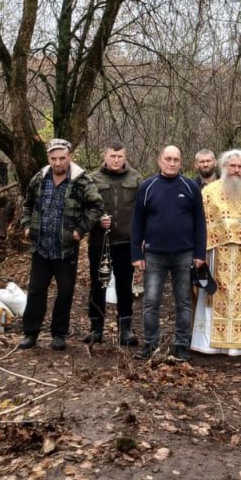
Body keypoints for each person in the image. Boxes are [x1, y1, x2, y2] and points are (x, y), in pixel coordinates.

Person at [19, 138, 104, 351]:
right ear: (49, 158)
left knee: (65, 292)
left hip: (66, 249)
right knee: (36, 290)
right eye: (54, 159)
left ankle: (59, 334)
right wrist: (27, 225)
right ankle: (31, 333)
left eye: (62, 158)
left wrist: (79, 230)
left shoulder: (81, 181)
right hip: (41, 246)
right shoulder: (39, 179)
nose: (58, 163)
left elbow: (96, 207)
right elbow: (27, 204)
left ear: (69, 158)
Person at [131, 145, 206, 362]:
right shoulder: (147, 186)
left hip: (184, 253)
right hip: (154, 254)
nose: (172, 163)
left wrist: (199, 253)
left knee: (183, 301)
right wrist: (136, 254)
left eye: (176, 159)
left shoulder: (191, 186)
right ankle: (150, 344)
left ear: (181, 162)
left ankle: (182, 345)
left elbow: (200, 222)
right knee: (151, 301)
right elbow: (137, 222)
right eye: (168, 159)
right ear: (159, 160)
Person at [191, 149, 241, 356]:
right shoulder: (209, 191)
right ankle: (209, 345)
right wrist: (200, 252)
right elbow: (202, 223)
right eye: (232, 166)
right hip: (216, 252)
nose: (236, 170)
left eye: (240, 166)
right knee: (213, 296)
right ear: (223, 166)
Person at [85, 140, 142, 346]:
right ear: (105, 156)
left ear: (125, 157)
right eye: (112, 156)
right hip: (100, 243)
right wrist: (97, 220)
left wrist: (141, 239)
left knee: (125, 286)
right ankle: (96, 328)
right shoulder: (92, 179)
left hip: (126, 242)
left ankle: (125, 329)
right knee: (97, 285)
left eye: (120, 156)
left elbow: (141, 211)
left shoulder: (135, 178)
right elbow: (85, 209)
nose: (116, 160)